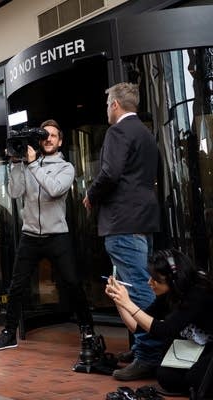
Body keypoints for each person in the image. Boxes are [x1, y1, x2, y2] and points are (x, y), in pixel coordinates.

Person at [0, 119, 94, 351]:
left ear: (60, 141)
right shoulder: (29, 164)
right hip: (30, 235)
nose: (48, 139)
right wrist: (17, 163)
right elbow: (15, 193)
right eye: (45, 135)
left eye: (53, 136)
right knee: (16, 286)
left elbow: (55, 189)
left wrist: (33, 164)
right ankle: (9, 333)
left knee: (72, 284)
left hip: (57, 235)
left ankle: (87, 330)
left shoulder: (66, 168)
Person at [83, 82, 162, 380]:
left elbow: (110, 173)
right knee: (140, 284)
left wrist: (91, 194)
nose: (107, 110)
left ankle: (148, 354)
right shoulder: (146, 133)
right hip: (143, 220)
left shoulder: (117, 131)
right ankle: (142, 345)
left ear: (115, 105)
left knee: (137, 286)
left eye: (107, 105)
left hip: (122, 222)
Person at [105, 249, 213, 396]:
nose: (150, 283)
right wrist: (119, 300)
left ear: (172, 278)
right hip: (198, 346)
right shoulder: (171, 291)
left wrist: (129, 303)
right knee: (165, 376)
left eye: (155, 279)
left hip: (209, 347)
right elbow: (137, 327)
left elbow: (165, 329)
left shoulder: (198, 291)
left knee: (197, 379)